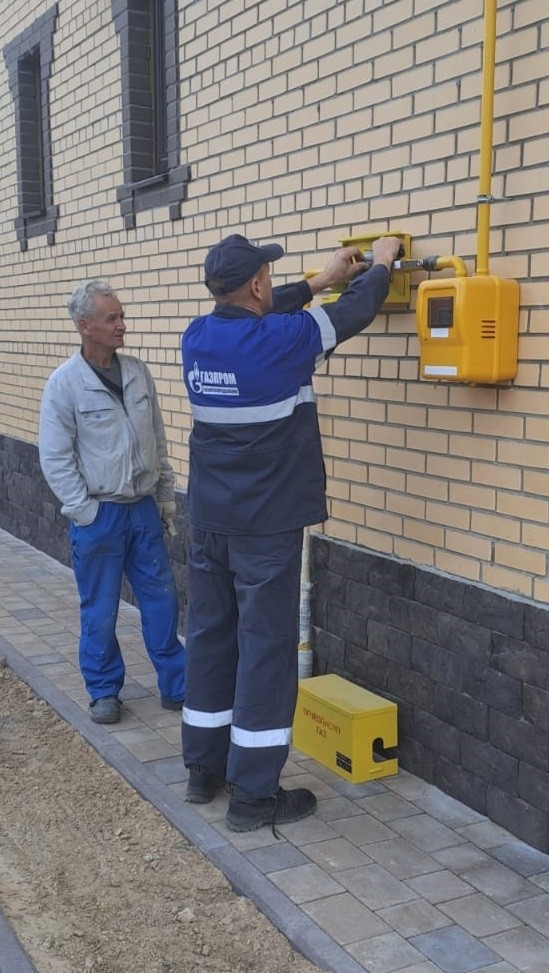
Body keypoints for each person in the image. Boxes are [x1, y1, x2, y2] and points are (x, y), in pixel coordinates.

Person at [181, 232, 402, 833]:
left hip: (208, 522)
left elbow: (257, 320)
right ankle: (254, 795)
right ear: (256, 284)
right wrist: (379, 265)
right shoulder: (284, 340)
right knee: (266, 653)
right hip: (266, 530)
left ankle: (204, 770)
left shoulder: (197, 339)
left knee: (210, 640)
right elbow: (355, 314)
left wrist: (314, 281)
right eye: (266, 278)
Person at [38, 279, 186, 724]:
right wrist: (86, 512)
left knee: (162, 601)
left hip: (143, 510)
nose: (123, 325)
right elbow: (55, 459)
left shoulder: (137, 372)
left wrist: (164, 499)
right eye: (112, 318)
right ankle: (104, 691)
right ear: (85, 326)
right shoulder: (65, 385)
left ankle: (177, 686)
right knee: (100, 610)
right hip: (99, 516)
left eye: (121, 316)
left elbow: (156, 440)